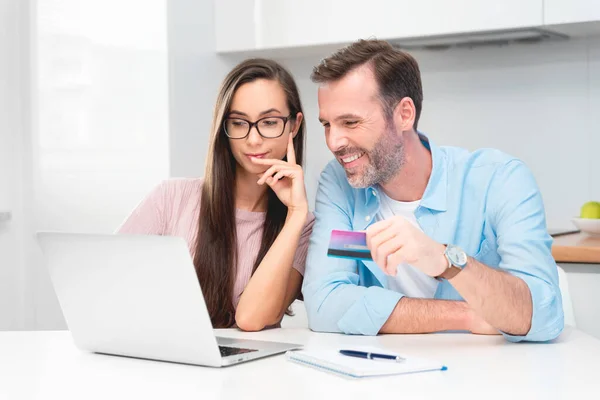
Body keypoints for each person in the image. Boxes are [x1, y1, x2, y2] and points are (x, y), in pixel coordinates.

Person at [302, 39, 564, 342]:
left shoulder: (500, 180)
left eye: (350, 122)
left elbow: (544, 315)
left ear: (404, 114)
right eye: (327, 124)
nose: (334, 142)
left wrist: (446, 261)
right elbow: (323, 303)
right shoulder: (340, 183)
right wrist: (464, 315)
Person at [118, 58, 314, 332]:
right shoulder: (171, 198)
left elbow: (251, 319)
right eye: (238, 123)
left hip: (251, 372)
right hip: (160, 361)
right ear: (224, 127)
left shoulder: (303, 228)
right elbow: (109, 285)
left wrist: (295, 215)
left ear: (294, 126)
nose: (253, 139)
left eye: (269, 122)